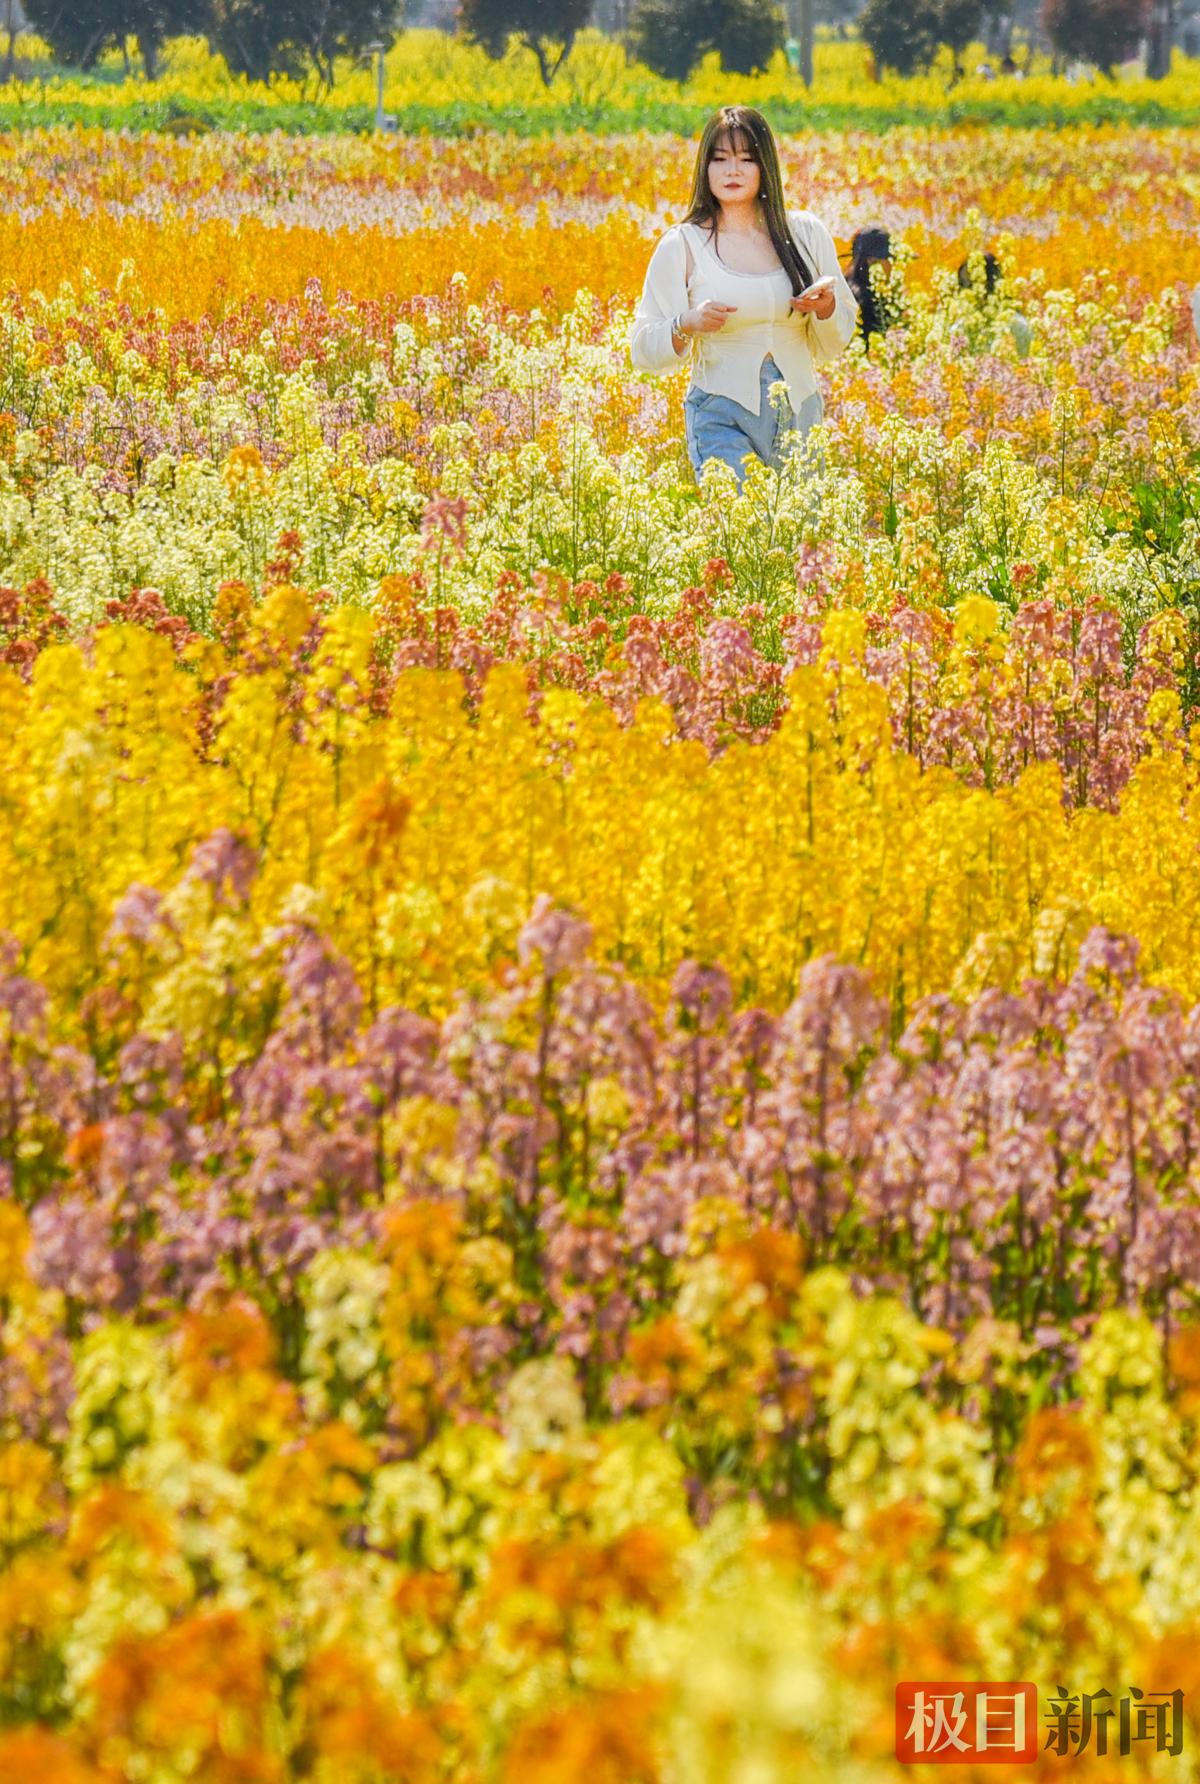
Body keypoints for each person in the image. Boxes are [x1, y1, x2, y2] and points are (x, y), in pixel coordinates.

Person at [629, 105, 858, 485]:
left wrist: (826, 308)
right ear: (705, 168)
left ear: (764, 166)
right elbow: (642, 348)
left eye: (746, 159)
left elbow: (835, 343)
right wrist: (687, 323)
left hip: (800, 415)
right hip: (720, 417)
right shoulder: (683, 244)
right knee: (740, 533)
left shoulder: (804, 234)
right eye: (719, 160)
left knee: (803, 540)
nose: (731, 171)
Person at [845, 225, 897, 350]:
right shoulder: (861, 300)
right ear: (870, 261)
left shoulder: (843, 287)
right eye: (887, 259)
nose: (892, 265)